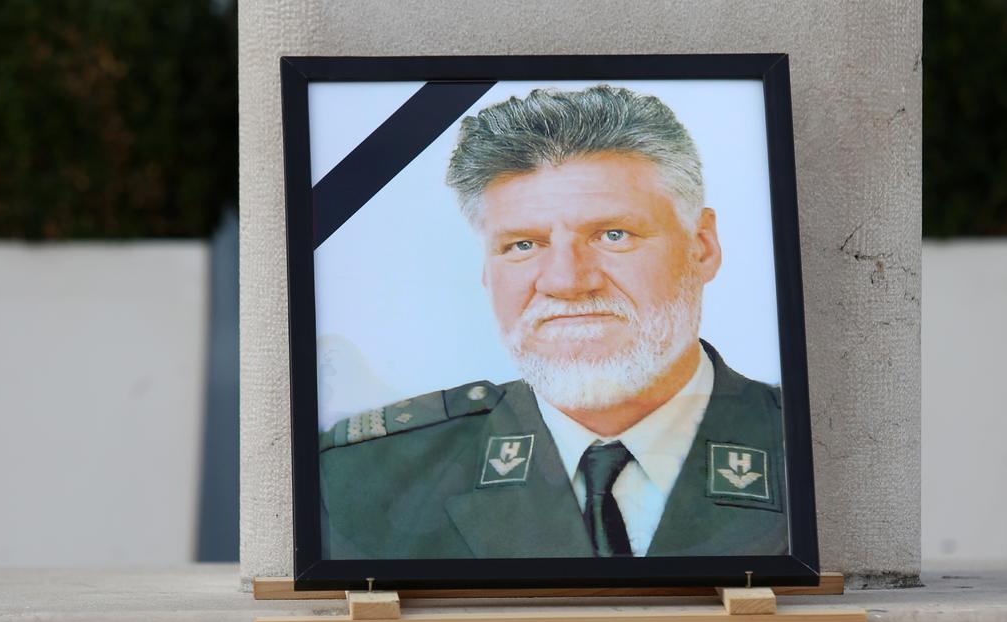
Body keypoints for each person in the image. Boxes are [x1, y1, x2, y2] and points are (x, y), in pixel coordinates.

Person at [320, 84, 787, 559]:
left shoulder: (811, 451)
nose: (566, 281)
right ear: (487, 270)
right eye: (522, 245)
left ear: (702, 247)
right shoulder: (363, 481)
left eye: (613, 235)